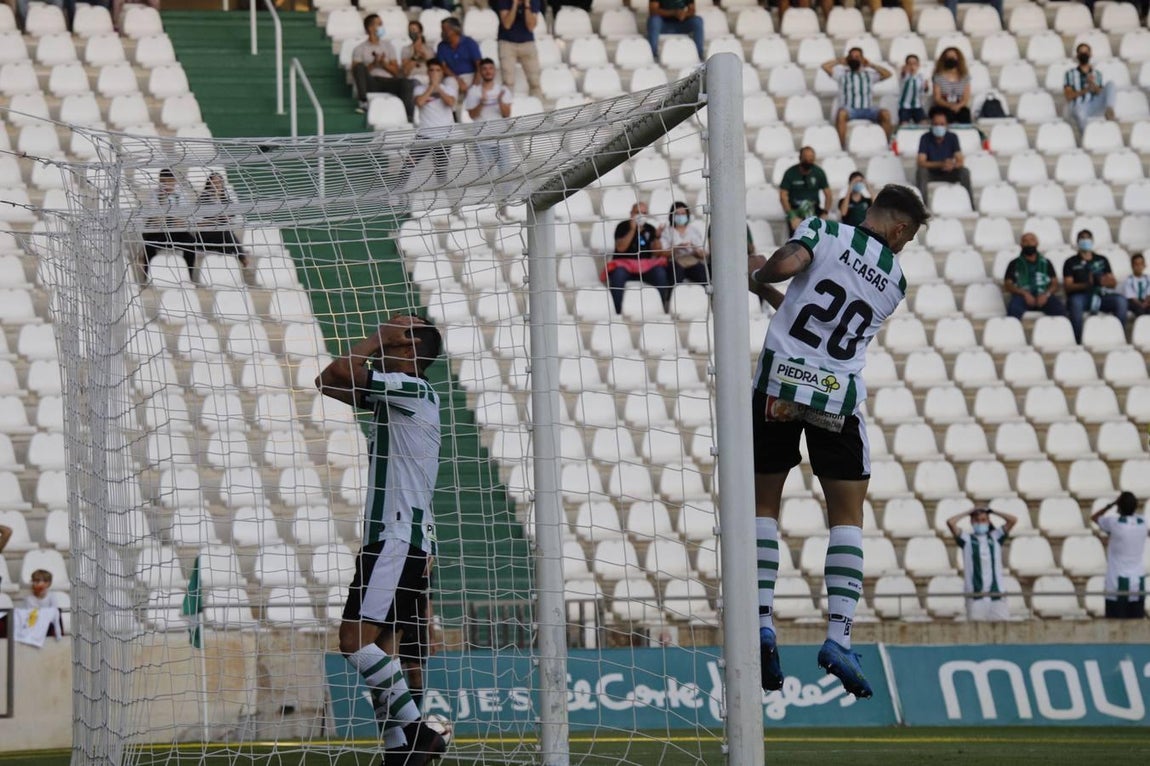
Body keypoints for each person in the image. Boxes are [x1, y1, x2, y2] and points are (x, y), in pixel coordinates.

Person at [748, 184, 931, 699]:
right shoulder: (895, 280)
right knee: (847, 516)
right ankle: (838, 637)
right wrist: (768, 285)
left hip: (779, 385)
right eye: (910, 236)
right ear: (899, 228)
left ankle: (763, 622)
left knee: (764, 504)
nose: (907, 244)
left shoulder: (824, 231)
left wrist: (759, 273)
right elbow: (827, 317)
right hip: (835, 396)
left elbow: (791, 269)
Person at [315, 314, 448, 766]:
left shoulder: (413, 390)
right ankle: (399, 751)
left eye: (397, 330)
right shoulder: (399, 396)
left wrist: (374, 340)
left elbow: (338, 371)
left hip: (396, 538)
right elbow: (326, 382)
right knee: (383, 649)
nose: (386, 330)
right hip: (399, 538)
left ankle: (418, 732)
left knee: (354, 642)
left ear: (410, 349)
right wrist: (380, 342)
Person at [946, 507, 1017, 622]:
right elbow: (950, 522)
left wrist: (993, 511)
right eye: (976, 520)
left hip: (997, 595)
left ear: (988, 522)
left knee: (1002, 631)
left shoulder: (996, 537)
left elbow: (1013, 520)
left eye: (983, 520)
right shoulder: (967, 539)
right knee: (976, 632)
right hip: (975, 596)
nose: (980, 522)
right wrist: (968, 512)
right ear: (972, 522)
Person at [603, 202, 673, 315]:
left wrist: (657, 237)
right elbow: (621, 248)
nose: (641, 216)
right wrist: (632, 230)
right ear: (631, 214)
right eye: (638, 213)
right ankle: (617, 311)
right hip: (625, 267)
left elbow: (656, 252)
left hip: (645, 268)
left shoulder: (650, 228)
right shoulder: (622, 226)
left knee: (660, 273)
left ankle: (660, 307)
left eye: (644, 213)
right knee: (617, 274)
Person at [1064, 229, 1128, 343]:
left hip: (1101, 295)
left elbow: (1113, 283)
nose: (1085, 240)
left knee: (1121, 301)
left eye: (1087, 238)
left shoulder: (1102, 259)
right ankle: (1077, 340)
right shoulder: (1070, 262)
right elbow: (1068, 286)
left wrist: (1104, 282)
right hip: (1081, 296)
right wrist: (1086, 285)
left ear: (1092, 240)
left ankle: (1119, 335)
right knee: (1075, 303)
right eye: (1082, 238)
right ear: (1077, 242)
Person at [1092, 492, 1149, 619]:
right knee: (1135, 628)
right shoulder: (1143, 522)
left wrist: (1110, 505)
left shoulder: (1114, 523)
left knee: (1115, 629)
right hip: (1138, 583)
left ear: (1119, 506)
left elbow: (1095, 517)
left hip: (1117, 584)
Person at [351, 14, 416, 123]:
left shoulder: (388, 46)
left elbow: (396, 72)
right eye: (379, 24)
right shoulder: (359, 48)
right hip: (370, 82)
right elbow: (356, 72)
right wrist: (373, 64)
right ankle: (363, 102)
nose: (382, 27)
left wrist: (383, 64)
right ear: (371, 28)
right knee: (359, 66)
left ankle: (408, 116)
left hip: (388, 81)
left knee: (406, 82)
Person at [822, 47, 892, 148]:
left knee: (885, 114)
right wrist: (839, 61)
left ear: (862, 58)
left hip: (868, 109)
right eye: (852, 57)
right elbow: (824, 67)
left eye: (857, 57)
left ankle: (886, 143)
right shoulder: (842, 74)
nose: (855, 59)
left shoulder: (869, 75)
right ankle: (842, 145)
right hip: (850, 110)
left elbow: (888, 74)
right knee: (841, 114)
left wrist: (871, 65)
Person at [141, 168, 195, 282]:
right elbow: (153, 216)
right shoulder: (154, 195)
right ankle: (146, 277)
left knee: (191, 242)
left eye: (169, 181)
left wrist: (175, 219)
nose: (166, 185)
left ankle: (189, 276)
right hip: (160, 231)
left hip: (177, 231)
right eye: (163, 181)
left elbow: (186, 217)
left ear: (174, 181)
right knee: (148, 245)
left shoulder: (181, 195)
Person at [410, 59, 458, 183]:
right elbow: (420, 102)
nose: (434, 73)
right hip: (424, 134)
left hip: (444, 136)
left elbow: (451, 103)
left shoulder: (449, 89)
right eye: (431, 70)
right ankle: (397, 193)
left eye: (437, 70)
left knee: (441, 170)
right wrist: (432, 86)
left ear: (442, 73)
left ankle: (443, 195)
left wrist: (438, 88)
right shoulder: (419, 89)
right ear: (427, 72)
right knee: (408, 165)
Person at [463, 58, 513, 176]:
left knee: (506, 176)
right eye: (484, 69)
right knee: (487, 177)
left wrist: (500, 101)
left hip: (502, 140)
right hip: (482, 141)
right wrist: (481, 103)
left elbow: (506, 114)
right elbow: (472, 115)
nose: (488, 71)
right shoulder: (473, 91)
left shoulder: (503, 90)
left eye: (490, 68)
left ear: (495, 71)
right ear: (480, 71)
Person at [915, 110, 974, 208]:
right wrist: (941, 164)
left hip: (949, 172)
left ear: (946, 125)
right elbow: (921, 162)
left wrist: (952, 165)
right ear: (932, 125)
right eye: (936, 124)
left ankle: (970, 206)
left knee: (964, 172)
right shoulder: (925, 138)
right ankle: (922, 208)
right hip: (932, 173)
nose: (939, 127)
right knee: (921, 172)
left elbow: (960, 160)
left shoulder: (952, 137)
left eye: (942, 124)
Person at [1003, 232, 1067, 320]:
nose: (1029, 243)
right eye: (1025, 241)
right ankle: (1012, 333)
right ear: (1021, 245)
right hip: (1022, 296)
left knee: (1060, 311)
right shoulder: (1014, 263)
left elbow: (1055, 284)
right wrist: (1024, 293)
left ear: (1037, 243)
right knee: (1013, 310)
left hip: (1044, 295)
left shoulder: (1046, 262)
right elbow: (1008, 285)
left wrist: (1046, 294)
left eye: (1032, 240)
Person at [194, 173, 246, 268]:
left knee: (226, 240)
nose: (217, 185)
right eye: (214, 182)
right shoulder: (202, 200)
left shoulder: (226, 199)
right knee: (226, 235)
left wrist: (225, 215)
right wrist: (215, 219)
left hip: (222, 236)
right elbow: (198, 224)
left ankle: (225, 270)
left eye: (219, 182)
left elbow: (235, 218)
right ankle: (242, 257)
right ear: (209, 184)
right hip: (205, 236)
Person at [1064, 43, 1115, 136]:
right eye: (1081, 52)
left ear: (1090, 54)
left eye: (1086, 52)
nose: (1084, 55)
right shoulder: (1070, 74)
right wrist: (1086, 90)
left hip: (1094, 104)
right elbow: (1068, 96)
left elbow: (1100, 92)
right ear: (1077, 55)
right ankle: (1087, 137)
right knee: (1080, 112)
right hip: (1079, 105)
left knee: (1110, 84)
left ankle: (1109, 109)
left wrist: (1093, 85)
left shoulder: (1097, 74)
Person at [779, 146, 832, 235]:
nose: (808, 160)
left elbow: (828, 194)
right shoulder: (790, 173)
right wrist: (791, 215)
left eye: (811, 157)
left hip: (813, 209)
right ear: (800, 158)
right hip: (795, 209)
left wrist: (825, 212)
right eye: (806, 157)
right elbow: (783, 195)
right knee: (796, 234)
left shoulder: (818, 172)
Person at [495, 0, 542, 98]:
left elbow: (531, 26)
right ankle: (508, 109)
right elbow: (507, 24)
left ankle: (538, 108)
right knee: (508, 82)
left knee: (535, 82)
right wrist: (515, 4)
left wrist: (527, 6)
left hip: (527, 43)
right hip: (507, 43)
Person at [665, 201, 708, 285]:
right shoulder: (667, 231)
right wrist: (677, 248)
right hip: (674, 262)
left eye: (683, 214)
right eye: (677, 214)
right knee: (676, 272)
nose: (681, 216)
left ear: (687, 215)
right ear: (672, 215)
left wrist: (695, 251)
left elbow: (704, 253)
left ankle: (706, 296)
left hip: (692, 261)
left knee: (702, 271)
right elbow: (662, 252)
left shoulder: (694, 230)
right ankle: (672, 296)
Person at [437, 17, 482, 94]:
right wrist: (459, 80)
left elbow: (479, 65)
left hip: (471, 75)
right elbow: (444, 67)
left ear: (454, 30)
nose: (442, 32)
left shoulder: (469, 43)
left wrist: (474, 85)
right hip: (453, 76)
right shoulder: (441, 46)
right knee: (449, 83)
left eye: (445, 30)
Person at [932, 46, 972, 124]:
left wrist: (958, 106)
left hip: (959, 106)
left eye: (953, 57)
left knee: (964, 114)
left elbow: (966, 98)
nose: (951, 59)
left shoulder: (965, 77)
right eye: (948, 57)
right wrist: (950, 106)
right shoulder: (938, 77)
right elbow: (937, 98)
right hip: (943, 107)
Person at [897, 54, 930, 125]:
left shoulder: (921, 77)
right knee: (904, 124)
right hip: (905, 107)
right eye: (909, 64)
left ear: (918, 65)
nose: (912, 66)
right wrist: (904, 71)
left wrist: (926, 87)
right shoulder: (904, 76)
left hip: (917, 106)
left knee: (924, 124)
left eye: (914, 63)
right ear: (906, 65)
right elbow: (902, 77)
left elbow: (923, 92)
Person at [400, 21, 432, 86]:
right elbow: (405, 72)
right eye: (410, 30)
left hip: (427, 78)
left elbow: (433, 68)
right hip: (412, 78)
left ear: (420, 33)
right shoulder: (405, 49)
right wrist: (415, 57)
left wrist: (426, 58)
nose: (411, 32)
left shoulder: (429, 49)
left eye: (413, 30)